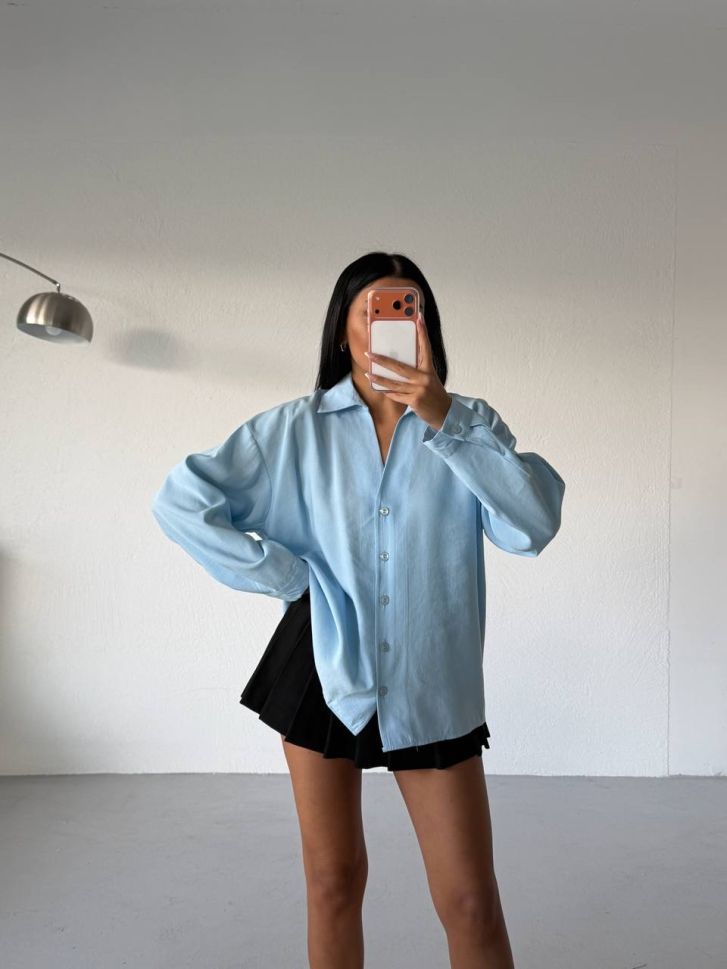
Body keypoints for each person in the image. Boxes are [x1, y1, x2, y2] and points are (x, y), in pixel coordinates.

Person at [152, 251, 566, 969]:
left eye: (407, 309)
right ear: (343, 331)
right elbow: (181, 501)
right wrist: (287, 575)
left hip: (428, 677)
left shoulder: (468, 425)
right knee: (333, 881)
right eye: (373, 310)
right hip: (321, 660)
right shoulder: (294, 430)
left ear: (426, 328)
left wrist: (443, 418)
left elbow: (530, 527)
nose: (389, 325)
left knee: (470, 901)